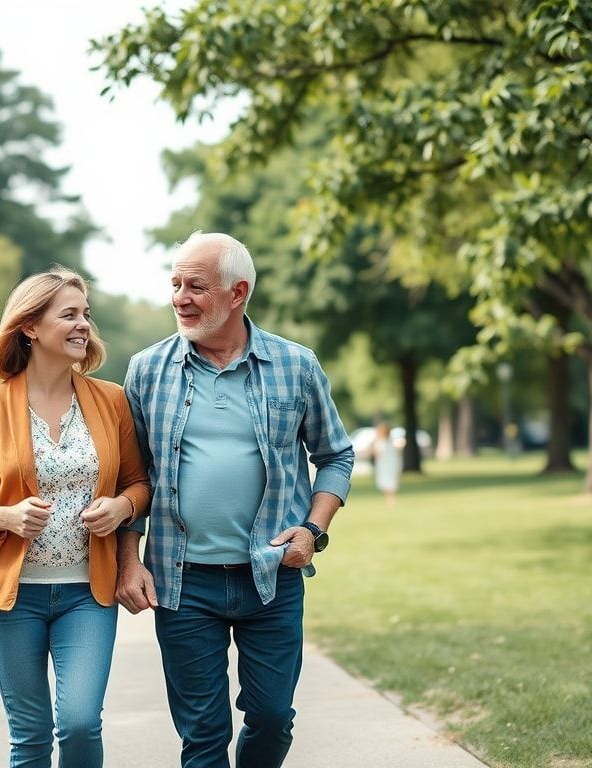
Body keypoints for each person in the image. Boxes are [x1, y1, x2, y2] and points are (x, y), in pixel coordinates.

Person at [117, 232, 355, 768]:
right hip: (183, 581)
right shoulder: (146, 370)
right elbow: (132, 479)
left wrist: (312, 531)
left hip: (271, 574)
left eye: (196, 286)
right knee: (202, 735)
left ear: (237, 292)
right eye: (175, 284)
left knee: (272, 718)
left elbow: (336, 455)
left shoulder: (296, 365)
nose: (179, 297)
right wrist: (127, 561)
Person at [0, 267, 151, 768]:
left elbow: (139, 484)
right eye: (69, 315)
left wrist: (122, 507)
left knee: (79, 722)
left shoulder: (112, 399)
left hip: (87, 593)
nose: (83, 326)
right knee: (30, 736)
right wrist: (3, 517)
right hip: (10, 600)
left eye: (86, 315)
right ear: (30, 327)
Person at [372, 419, 401, 507]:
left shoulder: (382, 442)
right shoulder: (391, 441)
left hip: (385, 464)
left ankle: (390, 500)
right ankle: (389, 499)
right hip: (390, 464)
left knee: (387, 482)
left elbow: (376, 453)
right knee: (389, 482)